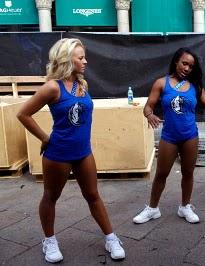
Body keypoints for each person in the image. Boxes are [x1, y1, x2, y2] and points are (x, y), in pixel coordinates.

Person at [17, 38, 125, 263]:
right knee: (51, 197)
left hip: (83, 152)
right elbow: (23, 114)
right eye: (81, 57)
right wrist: (45, 138)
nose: (85, 61)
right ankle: (49, 240)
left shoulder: (81, 84)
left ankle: (111, 237)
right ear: (67, 59)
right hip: (58, 153)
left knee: (93, 195)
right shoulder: (51, 87)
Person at [133, 47, 205, 224]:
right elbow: (148, 106)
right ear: (176, 62)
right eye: (184, 63)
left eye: (191, 66)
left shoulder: (196, 86)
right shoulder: (161, 83)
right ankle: (152, 209)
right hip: (169, 137)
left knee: (188, 173)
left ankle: (185, 207)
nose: (187, 68)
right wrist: (150, 115)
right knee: (161, 174)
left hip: (190, 136)